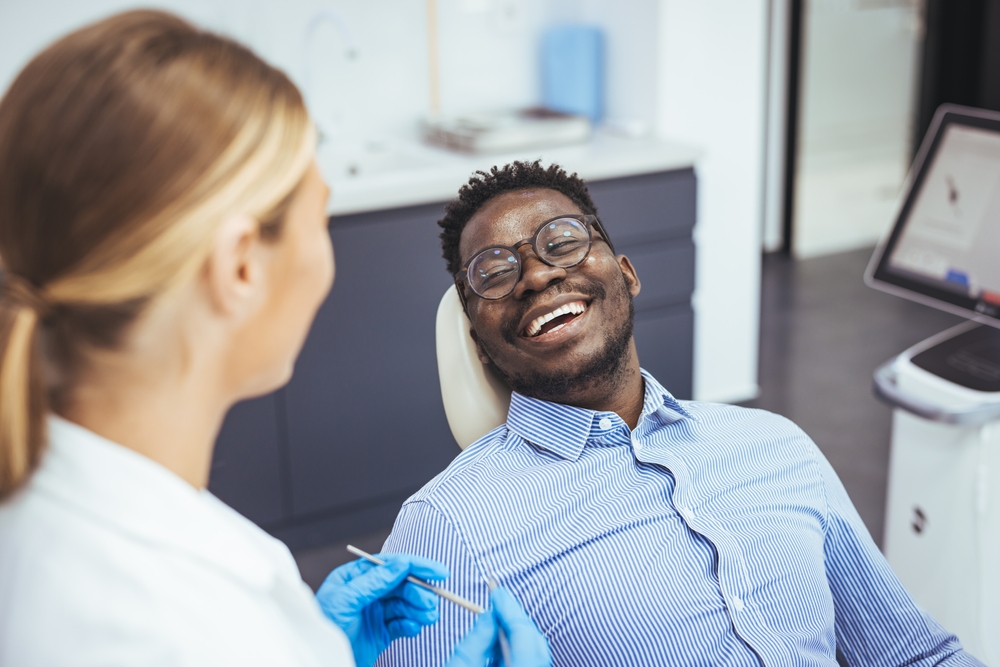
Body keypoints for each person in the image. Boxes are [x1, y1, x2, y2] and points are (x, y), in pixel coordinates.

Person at [0, 12, 549, 667]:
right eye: (319, 215)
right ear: (240, 267)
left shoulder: (61, 509)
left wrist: (320, 644)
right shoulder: (180, 631)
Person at [377, 160, 984, 666]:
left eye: (561, 241)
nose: (536, 274)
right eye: (495, 273)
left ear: (626, 274)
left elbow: (912, 655)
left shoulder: (774, 445)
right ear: (479, 343)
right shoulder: (449, 528)